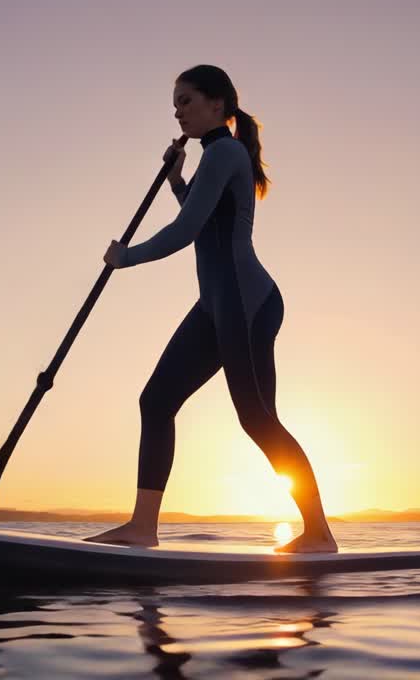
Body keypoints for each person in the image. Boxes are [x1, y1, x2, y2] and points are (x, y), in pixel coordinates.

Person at [86, 64, 337, 553]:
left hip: (246, 302)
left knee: (258, 419)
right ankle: (142, 527)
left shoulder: (224, 152)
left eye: (185, 101)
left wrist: (127, 257)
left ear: (216, 104)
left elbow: (184, 232)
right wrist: (178, 182)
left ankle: (320, 534)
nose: (176, 111)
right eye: (174, 103)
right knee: (156, 402)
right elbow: (200, 219)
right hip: (216, 306)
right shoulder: (216, 157)